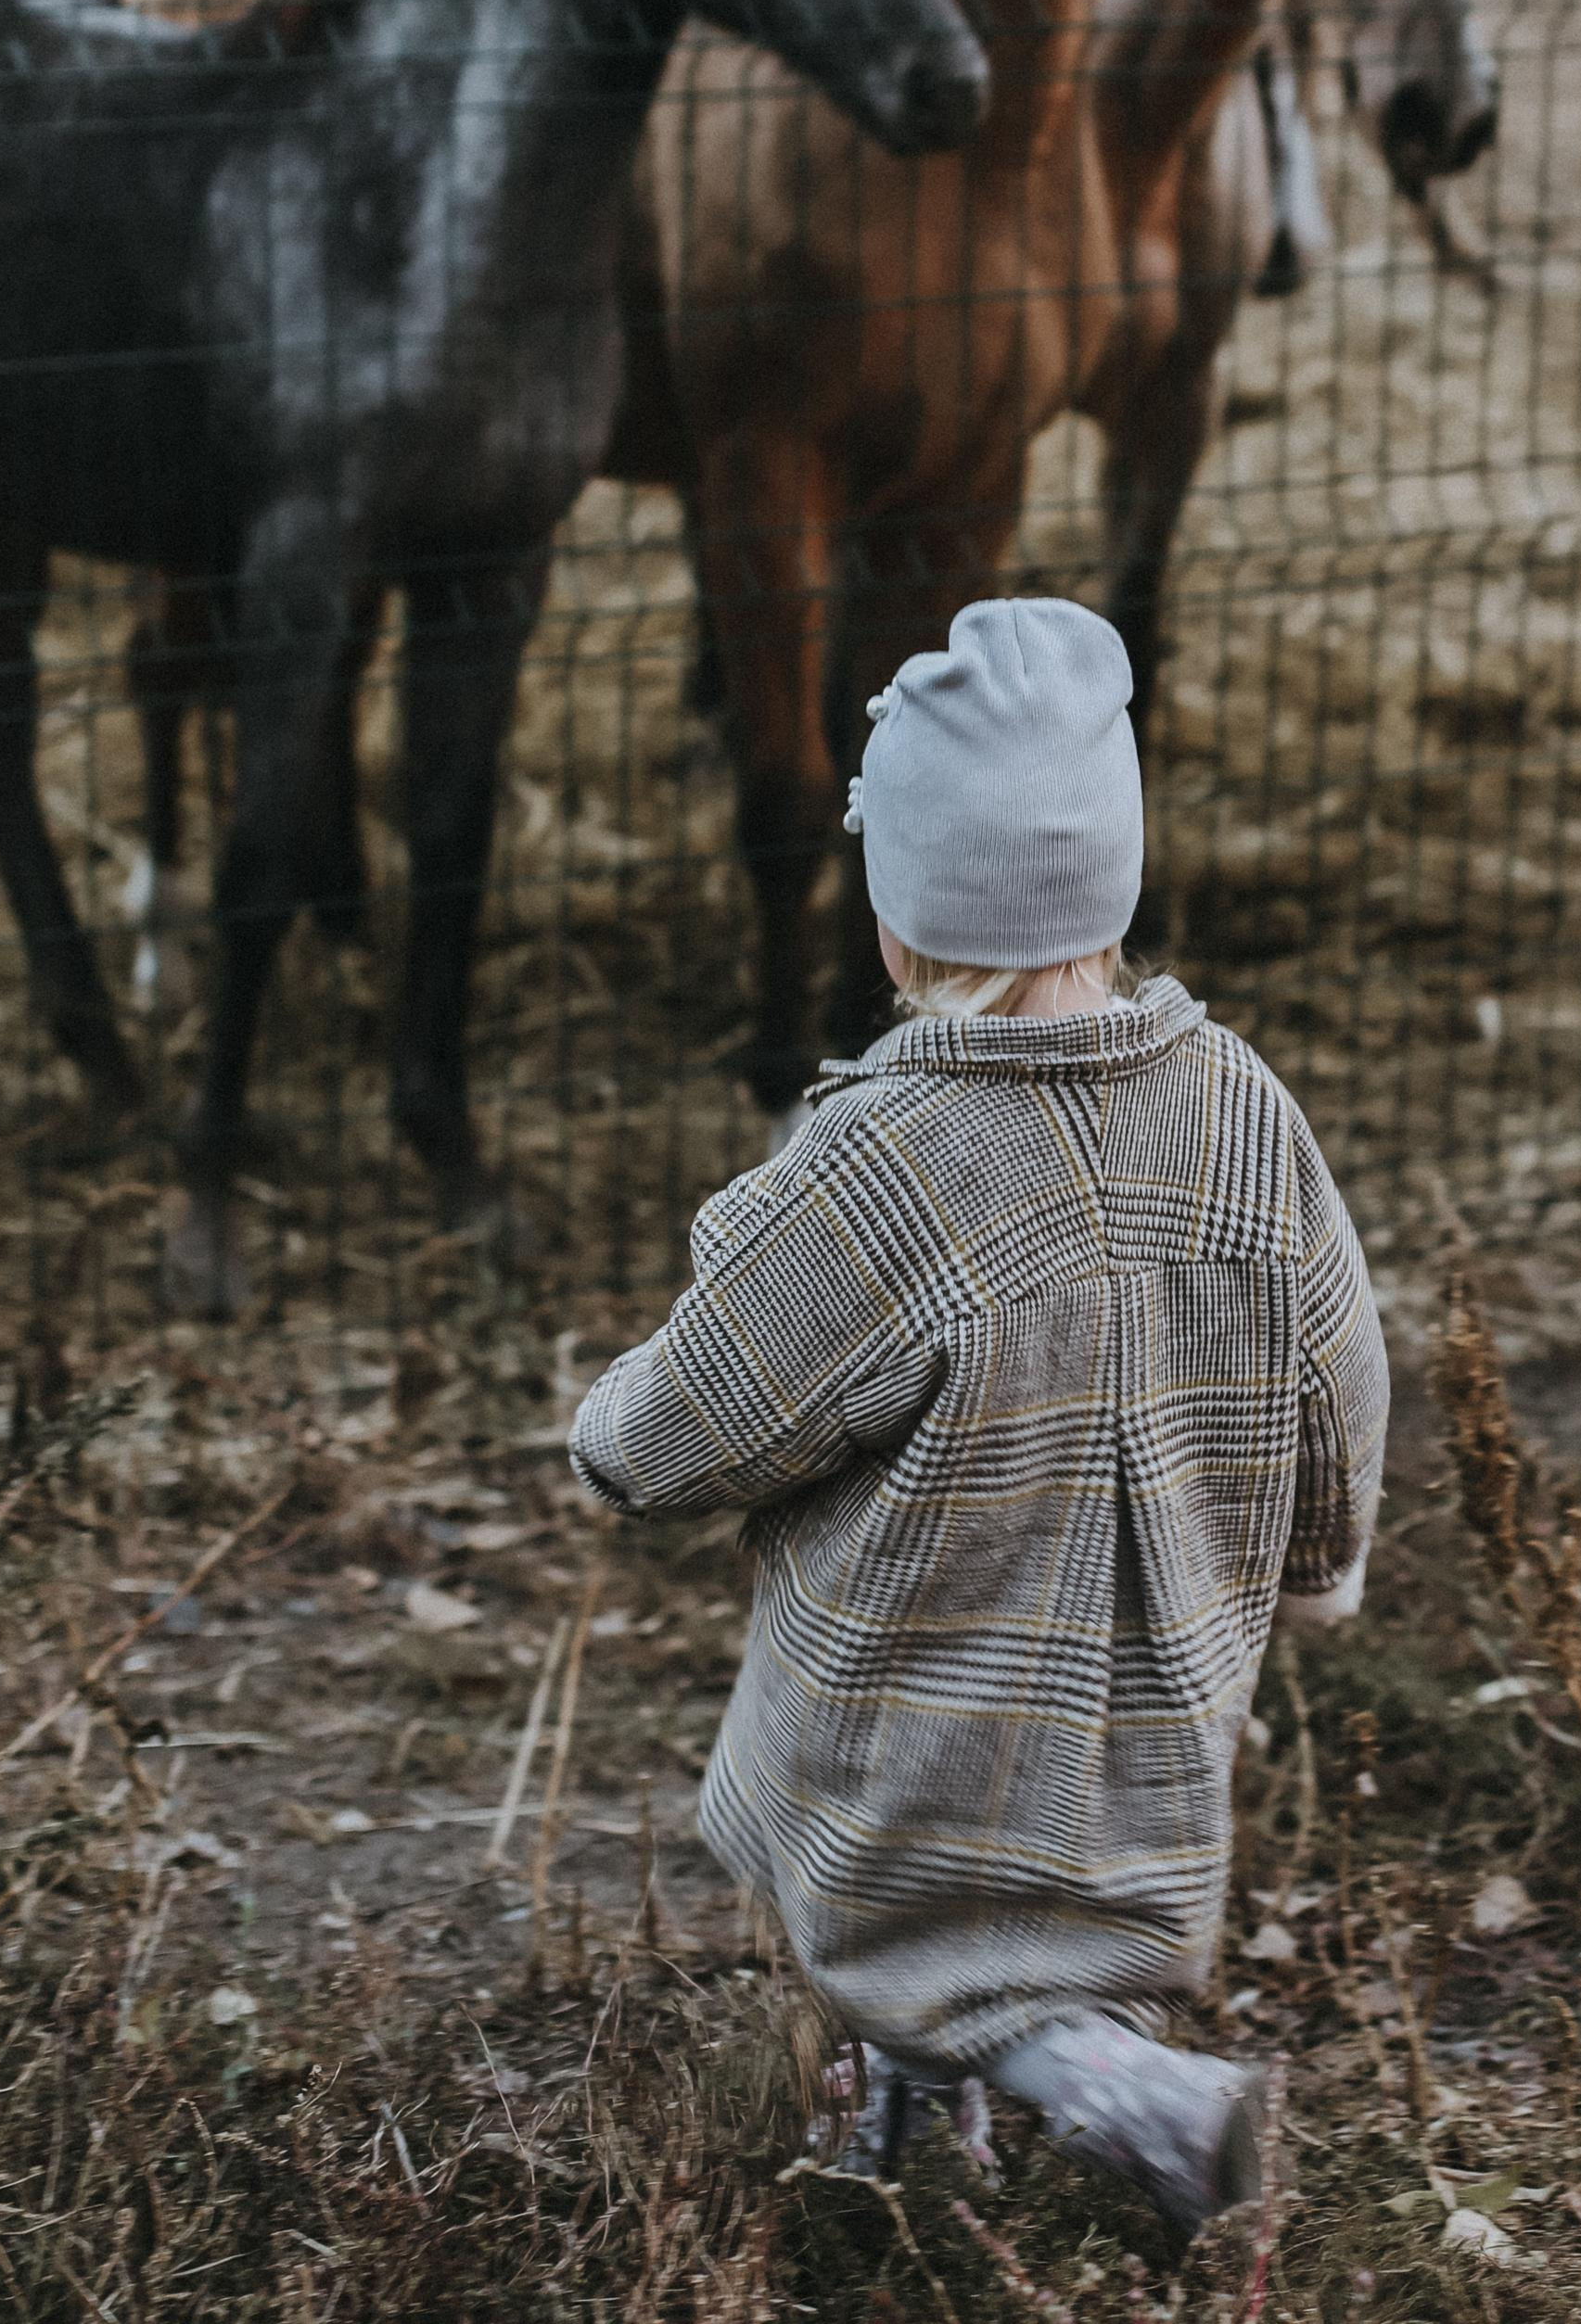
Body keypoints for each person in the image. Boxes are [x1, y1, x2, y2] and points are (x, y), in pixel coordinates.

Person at [569, 598, 1389, 2229]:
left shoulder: (885, 1173)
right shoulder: (1245, 1115)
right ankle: (909, 2163)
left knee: (941, 1962)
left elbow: (686, 1425)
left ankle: (1127, 2101)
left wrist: (610, 1428)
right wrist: (1318, 1554)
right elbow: (1340, 1368)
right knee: (1033, 1937)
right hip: (1149, 1713)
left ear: (901, 912)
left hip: (914, 1722)